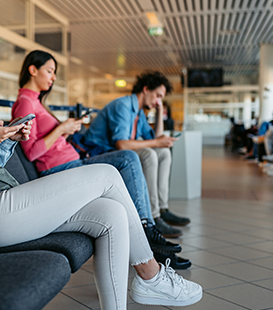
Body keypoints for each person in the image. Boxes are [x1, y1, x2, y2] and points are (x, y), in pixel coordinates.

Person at [0, 5, 201, 309]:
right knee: (108, 174)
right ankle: (151, 275)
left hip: (2, 198)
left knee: (111, 214)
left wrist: (3, 141)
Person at [11, 50, 191, 269]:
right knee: (127, 157)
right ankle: (147, 230)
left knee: (130, 161)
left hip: (71, 162)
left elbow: (44, 142)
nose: (53, 77)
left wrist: (65, 131)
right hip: (60, 169)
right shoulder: (25, 103)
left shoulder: (36, 103)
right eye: (50, 71)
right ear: (33, 70)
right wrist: (61, 129)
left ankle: (148, 231)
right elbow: (31, 152)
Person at [82, 72, 191, 228]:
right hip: (98, 153)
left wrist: (160, 111)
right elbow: (122, 144)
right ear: (146, 89)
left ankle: (162, 208)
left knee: (164, 153)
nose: (158, 101)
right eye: (158, 96)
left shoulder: (139, 112)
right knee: (148, 154)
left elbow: (157, 138)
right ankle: (153, 216)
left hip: (118, 152)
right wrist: (156, 142)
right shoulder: (123, 106)